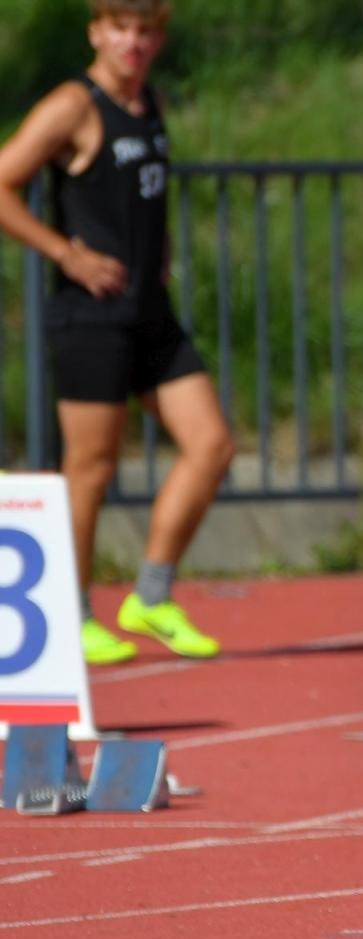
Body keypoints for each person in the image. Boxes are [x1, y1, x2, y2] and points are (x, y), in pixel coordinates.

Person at [0, 0, 234, 664]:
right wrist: (65, 253)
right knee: (91, 469)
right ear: (97, 32)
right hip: (90, 315)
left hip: (148, 312)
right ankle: (69, 613)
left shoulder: (149, 101)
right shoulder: (74, 106)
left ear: (158, 37)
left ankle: (151, 596)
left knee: (211, 444)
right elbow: (3, 182)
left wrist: (153, 253)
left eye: (146, 30)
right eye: (121, 28)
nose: (134, 41)